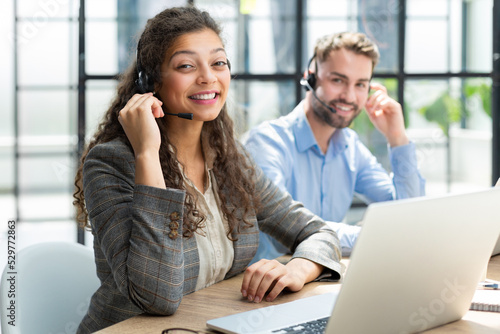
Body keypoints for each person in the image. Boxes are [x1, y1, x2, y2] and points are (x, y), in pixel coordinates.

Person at [72, 6, 342, 333]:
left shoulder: (229, 158)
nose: (208, 78)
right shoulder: (111, 162)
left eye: (218, 63)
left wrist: (299, 269)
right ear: (150, 81)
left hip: (208, 325)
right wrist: (147, 153)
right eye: (186, 66)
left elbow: (318, 232)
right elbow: (157, 295)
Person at [245, 32, 426, 262]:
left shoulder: (350, 147)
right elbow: (287, 229)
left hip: (323, 279)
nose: (349, 96)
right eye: (338, 80)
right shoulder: (267, 143)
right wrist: (377, 238)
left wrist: (397, 137)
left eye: (360, 84)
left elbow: (409, 216)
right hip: (264, 286)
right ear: (311, 78)